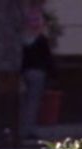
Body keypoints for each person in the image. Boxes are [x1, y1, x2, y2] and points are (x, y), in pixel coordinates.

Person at [20, 9, 55, 140]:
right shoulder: (41, 40)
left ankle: (23, 127)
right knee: (33, 102)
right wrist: (53, 74)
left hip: (24, 72)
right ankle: (29, 129)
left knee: (25, 102)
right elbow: (47, 58)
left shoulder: (23, 39)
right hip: (38, 72)